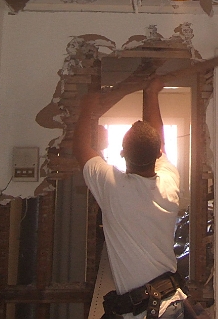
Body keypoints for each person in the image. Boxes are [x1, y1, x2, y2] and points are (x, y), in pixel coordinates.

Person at [73, 76, 185, 319]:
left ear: (122, 153)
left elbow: (81, 149)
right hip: (169, 304)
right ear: (158, 154)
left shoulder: (114, 186)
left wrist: (87, 107)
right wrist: (152, 93)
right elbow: (81, 149)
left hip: (149, 312)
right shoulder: (169, 180)